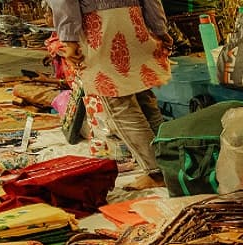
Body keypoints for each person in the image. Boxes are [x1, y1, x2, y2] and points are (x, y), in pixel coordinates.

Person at [48, 0, 173, 190]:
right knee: (143, 98)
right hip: (134, 20)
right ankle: (172, 162)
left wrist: (69, 38)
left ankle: (156, 172)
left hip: (99, 26)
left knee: (119, 103)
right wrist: (159, 28)